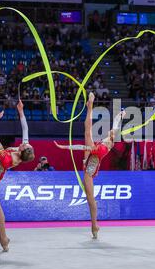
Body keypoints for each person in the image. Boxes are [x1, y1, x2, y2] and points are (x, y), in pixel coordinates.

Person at [54, 92, 125, 239]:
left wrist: (64, 147)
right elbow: (116, 122)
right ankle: (90, 106)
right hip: (90, 159)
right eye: (111, 131)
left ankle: (94, 225)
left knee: (91, 201)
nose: (111, 130)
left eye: (112, 131)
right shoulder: (109, 139)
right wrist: (121, 114)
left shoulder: (106, 144)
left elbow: (80, 148)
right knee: (87, 133)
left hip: (89, 171)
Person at [0, 84, 35, 252]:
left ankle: (3, 240)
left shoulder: (8, 158)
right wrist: (21, 111)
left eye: (24, 145)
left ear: (22, 151)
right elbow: (25, 128)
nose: (24, 143)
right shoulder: (23, 151)